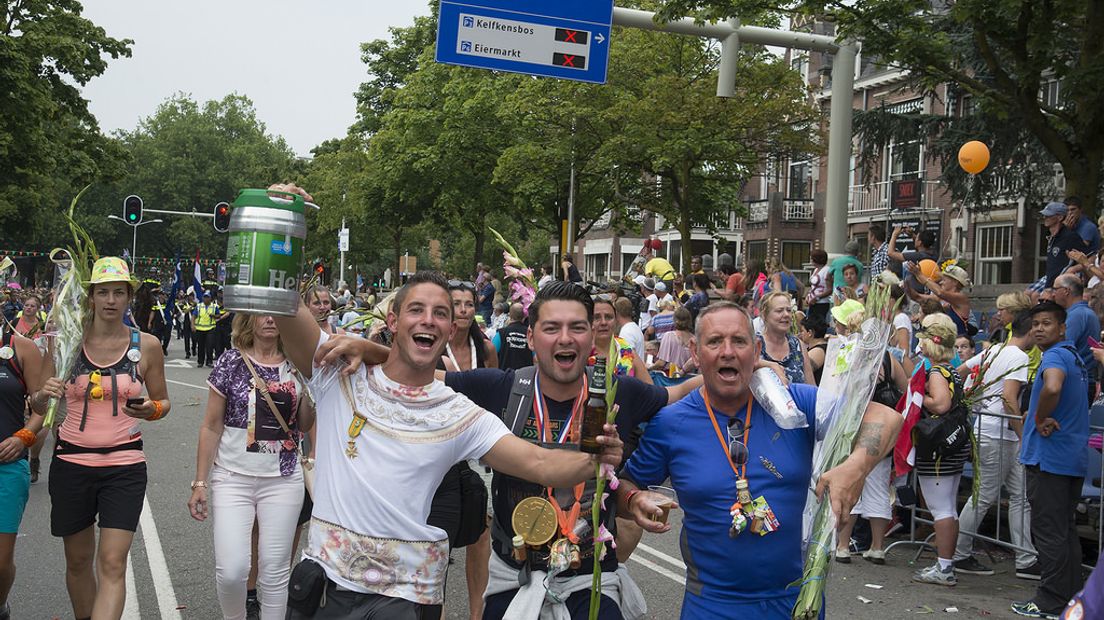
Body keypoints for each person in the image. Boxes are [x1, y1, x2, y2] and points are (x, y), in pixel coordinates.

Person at [313, 280, 709, 618]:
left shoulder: (621, 391)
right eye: (552, 328)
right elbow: (420, 373)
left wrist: (757, 367)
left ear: (593, 336)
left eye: (577, 327)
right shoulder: (500, 387)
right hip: (514, 582)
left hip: (591, 585)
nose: (566, 338)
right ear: (531, 336)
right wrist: (371, 351)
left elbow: (681, 393)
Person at [270, 265, 625, 620]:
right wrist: (280, 222)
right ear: (393, 321)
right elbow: (282, 300)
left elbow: (541, 464)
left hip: (404, 599)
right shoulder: (339, 372)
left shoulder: (457, 413)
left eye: (440, 313)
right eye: (416, 310)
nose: (428, 320)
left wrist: (597, 459)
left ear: (451, 329)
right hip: (326, 589)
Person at [616, 302, 902, 618]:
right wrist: (633, 498)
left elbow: (886, 417)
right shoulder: (670, 424)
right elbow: (625, 483)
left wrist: (855, 468)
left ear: (757, 350)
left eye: (739, 341)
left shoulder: (794, 403)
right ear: (695, 352)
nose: (728, 352)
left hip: (796, 602)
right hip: (712, 605)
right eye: (715, 342)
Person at [42, 256, 171, 620]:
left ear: (129, 297)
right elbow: (39, 401)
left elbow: (163, 402)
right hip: (71, 464)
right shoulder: (67, 343)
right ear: (91, 297)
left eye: (119, 292)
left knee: (113, 563)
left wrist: (152, 410)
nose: (111, 300)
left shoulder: (146, 346)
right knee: (79, 562)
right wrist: (40, 397)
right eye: (103, 293)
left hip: (124, 466)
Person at [187, 314, 315, 620]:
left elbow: (304, 424)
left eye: (278, 313)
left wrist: (312, 389)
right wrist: (200, 483)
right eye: (262, 312)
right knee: (232, 570)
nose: (270, 319)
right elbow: (211, 425)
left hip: (283, 480)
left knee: (274, 572)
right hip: (233, 478)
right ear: (249, 319)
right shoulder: (230, 362)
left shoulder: (297, 363)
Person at [1012, 301, 1089, 618]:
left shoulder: (1056, 356)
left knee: (1048, 534)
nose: (1039, 328)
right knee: (1064, 532)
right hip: (1069, 459)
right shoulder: (1075, 357)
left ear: (1062, 328)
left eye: (1047, 323)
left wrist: (1041, 414)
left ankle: (1049, 602)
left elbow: (1053, 385)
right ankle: (1071, 599)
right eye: (1036, 324)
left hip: (1051, 460)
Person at [951, 310, 1039, 579]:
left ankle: (1026, 558)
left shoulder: (995, 350)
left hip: (994, 430)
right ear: (1032, 332)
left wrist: (972, 398)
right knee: (985, 495)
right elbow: (1010, 399)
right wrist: (1024, 435)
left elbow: (959, 371)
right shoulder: (1019, 357)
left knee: (1019, 495)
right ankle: (958, 552)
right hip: (998, 432)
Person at [832, 300, 906, 565]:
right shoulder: (887, 355)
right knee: (877, 485)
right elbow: (904, 386)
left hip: (855, 425)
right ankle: (876, 547)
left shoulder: (848, 351)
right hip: (882, 428)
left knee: (851, 481)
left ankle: (842, 546)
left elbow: (837, 388)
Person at [0, 320, 62, 620]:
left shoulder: (19, 348)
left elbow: (43, 406)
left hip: (7, 466)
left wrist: (23, 437)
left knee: (0, 564)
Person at [910, 313, 971, 587]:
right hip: (953, 445)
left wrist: (918, 395)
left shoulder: (935, 371)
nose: (920, 346)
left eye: (923, 341)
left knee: (941, 508)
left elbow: (941, 404)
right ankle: (947, 562)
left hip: (938, 448)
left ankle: (945, 567)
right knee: (949, 508)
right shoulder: (951, 370)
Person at [1052, 273, 1099, 401]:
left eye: (1055, 289)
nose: (1052, 294)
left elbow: (1062, 348)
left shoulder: (1076, 315)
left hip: (1075, 382)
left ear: (1066, 291)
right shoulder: (1085, 312)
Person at [758, 292, 815, 386]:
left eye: (788, 310)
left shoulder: (798, 345)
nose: (786, 314)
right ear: (765, 315)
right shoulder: (755, 344)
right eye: (779, 311)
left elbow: (811, 386)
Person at [441, 281, 498, 373]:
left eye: (469, 304)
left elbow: (494, 385)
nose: (463, 310)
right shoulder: (433, 349)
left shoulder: (487, 348)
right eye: (456, 304)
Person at [593, 296, 651, 382]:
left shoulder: (627, 350)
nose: (603, 322)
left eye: (608, 317)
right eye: (596, 317)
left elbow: (650, 388)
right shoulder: (581, 353)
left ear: (616, 319)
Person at [907, 262, 974, 337]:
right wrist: (906, 284)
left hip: (958, 344)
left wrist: (919, 274)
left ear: (955, 282)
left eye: (944, 280)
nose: (941, 282)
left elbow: (940, 292)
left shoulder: (962, 298)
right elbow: (917, 297)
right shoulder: (940, 298)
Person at [1039, 202, 1086, 289]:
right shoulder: (1051, 237)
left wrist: (1073, 269)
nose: (1045, 217)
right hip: (1050, 280)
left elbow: (1089, 258)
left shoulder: (1070, 237)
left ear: (1060, 217)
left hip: (1062, 282)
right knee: (1029, 294)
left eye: (1048, 215)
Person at [887, 226, 938, 292]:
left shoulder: (918, 256)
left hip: (915, 292)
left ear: (920, 242)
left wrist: (894, 234)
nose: (915, 238)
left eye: (916, 238)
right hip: (928, 289)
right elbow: (922, 243)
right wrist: (912, 235)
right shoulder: (933, 254)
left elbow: (891, 253)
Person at [651, 307, 696, 377]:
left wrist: (649, 367)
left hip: (670, 378)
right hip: (689, 379)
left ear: (674, 320)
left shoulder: (668, 336)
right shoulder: (695, 340)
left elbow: (661, 363)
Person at [493, 303, 533, 371]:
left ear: (510, 315)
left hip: (504, 376)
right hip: (524, 378)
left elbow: (491, 353)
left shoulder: (501, 333)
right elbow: (536, 357)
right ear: (524, 317)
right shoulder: (530, 334)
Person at [799, 314, 829, 385]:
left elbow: (802, 371)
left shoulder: (818, 351)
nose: (800, 334)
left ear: (810, 333)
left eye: (802, 331)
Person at [195, 291, 220, 368]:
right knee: (200, 346)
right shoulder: (199, 306)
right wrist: (192, 325)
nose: (206, 299)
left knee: (210, 346)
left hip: (210, 328)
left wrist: (214, 315)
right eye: (205, 297)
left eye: (207, 297)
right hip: (200, 328)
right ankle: (200, 362)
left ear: (210, 298)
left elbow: (218, 315)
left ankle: (209, 361)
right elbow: (194, 315)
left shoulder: (214, 306)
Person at [805, 250, 831, 325]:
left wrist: (817, 298)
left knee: (818, 324)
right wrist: (808, 296)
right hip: (812, 302)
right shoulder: (816, 270)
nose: (811, 260)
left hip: (822, 303)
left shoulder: (826, 270)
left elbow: (830, 289)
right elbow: (813, 286)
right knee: (810, 323)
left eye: (812, 258)